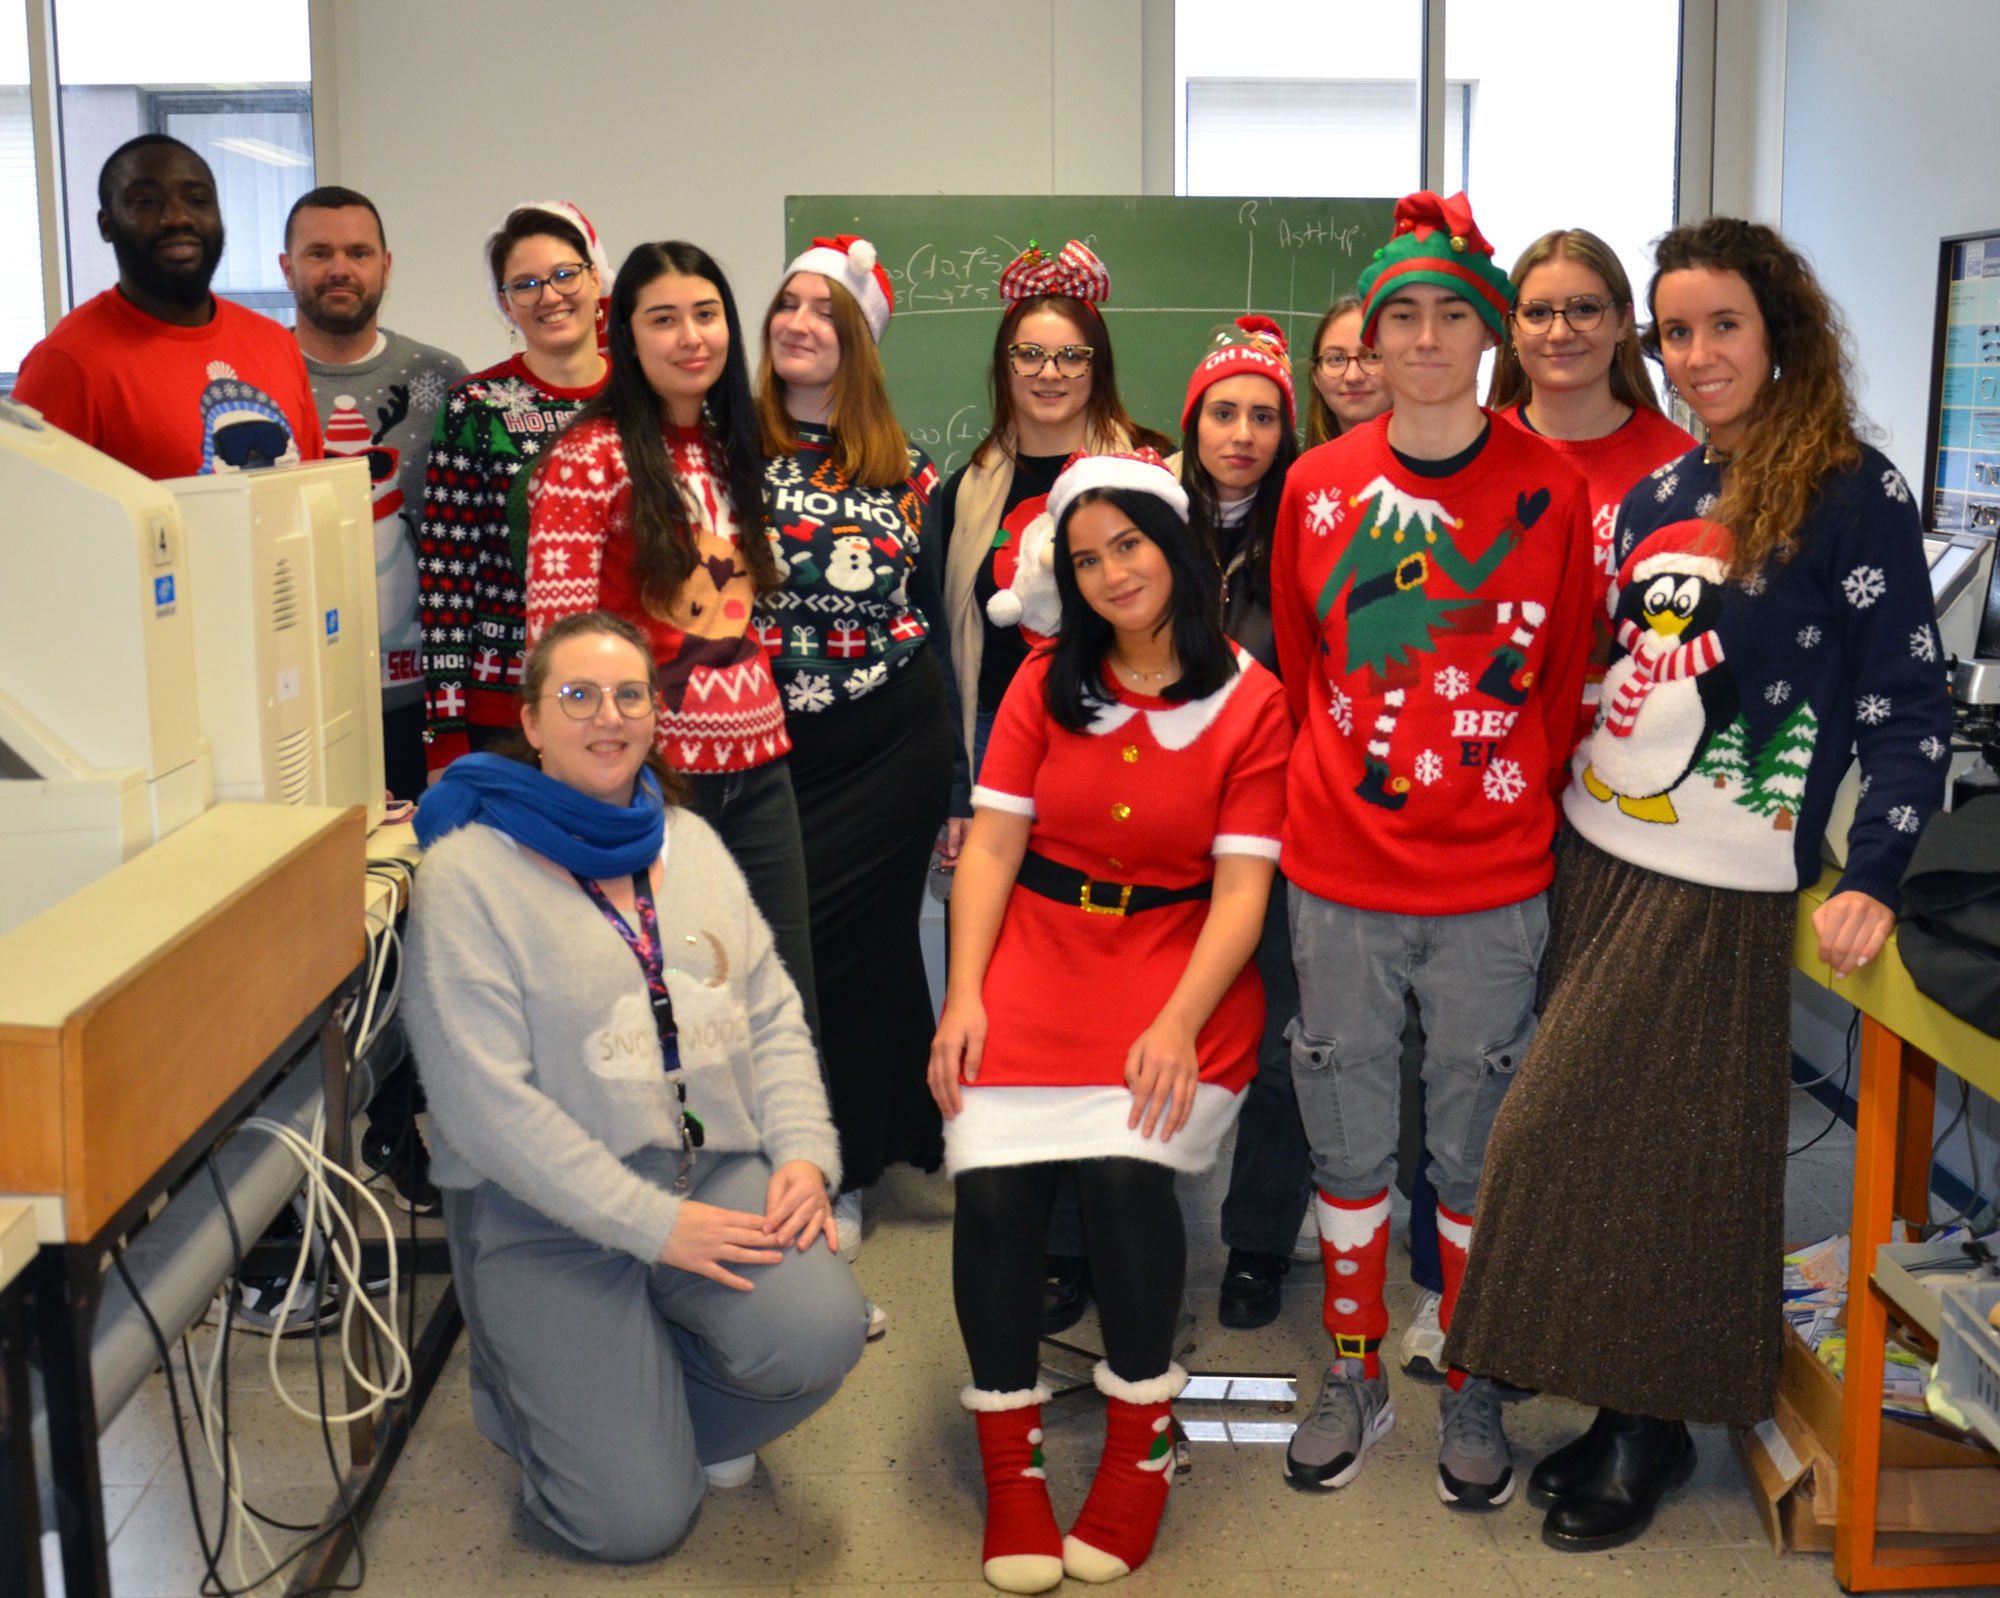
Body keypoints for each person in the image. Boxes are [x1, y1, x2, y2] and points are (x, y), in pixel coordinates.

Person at [1447, 217, 1953, 1550]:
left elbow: (1911, 701)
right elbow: (1625, 670)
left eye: (1721, 323)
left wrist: (1882, 872)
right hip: (1600, 851)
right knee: (1628, 1147)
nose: (1695, 352)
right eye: (1676, 330)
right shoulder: (1663, 493)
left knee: (1604, 1140)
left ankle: (1655, 1420)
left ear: (1778, 328)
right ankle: (1632, 1410)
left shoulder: (1853, 491)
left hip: (1724, 884)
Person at [400, 609, 863, 1562]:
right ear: (529, 722)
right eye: (576, 696)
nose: (605, 717)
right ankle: (529, 1396)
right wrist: (654, 1229)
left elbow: (771, 1011)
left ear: (657, 714)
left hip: (705, 1171)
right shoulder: (465, 875)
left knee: (823, 1332)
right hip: (545, 1213)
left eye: (628, 695)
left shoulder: (687, 841)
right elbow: (486, 1109)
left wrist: (808, 1157)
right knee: (632, 1525)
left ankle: (637, 1394)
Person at [1268, 190, 1593, 1508]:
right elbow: (1306, 666)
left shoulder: (1552, 488)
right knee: (1345, 1138)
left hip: (1493, 887)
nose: (1421, 337)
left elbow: (1562, 679)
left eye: (1450, 313)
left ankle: (1469, 1374)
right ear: (1373, 336)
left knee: (1473, 1149)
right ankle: (1352, 1370)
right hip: (1340, 874)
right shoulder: (1317, 483)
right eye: (1398, 313)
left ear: (1487, 336)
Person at [930, 452, 1290, 1592]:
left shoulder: (1252, 698)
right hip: (1036, 950)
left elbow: (1242, 889)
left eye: (1125, 544)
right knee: (991, 1183)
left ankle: (1141, 1447)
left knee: (1127, 1173)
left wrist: (1180, 1022)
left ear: (1174, 544)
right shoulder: (1042, 678)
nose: (1107, 573)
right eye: (1082, 559)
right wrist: (964, 992)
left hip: (1180, 965)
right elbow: (991, 843)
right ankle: (1010, 1457)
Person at [935, 238, 1168, 1333]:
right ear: (1004, 363)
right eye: (1029, 354)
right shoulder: (964, 490)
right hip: (996, 790)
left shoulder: (1140, 477)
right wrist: (956, 792)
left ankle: (1086, 1241)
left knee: (1099, 1020)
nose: (1047, 373)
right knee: (1014, 1017)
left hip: (1107, 795)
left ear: (1096, 363)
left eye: (1068, 355)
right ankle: (1026, 1227)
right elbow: (944, 655)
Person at [524, 241, 818, 1062]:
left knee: (780, 992)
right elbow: (558, 653)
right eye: (664, 320)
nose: (691, 337)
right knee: (670, 1017)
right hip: (651, 786)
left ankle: (798, 1178)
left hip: (762, 767)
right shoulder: (587, 460)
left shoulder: (738, 448)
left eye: (707, 314)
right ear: (624, 335)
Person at [754, 236, 953, 1230]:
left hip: (890, 740)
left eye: (824, 309)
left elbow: (937, 623)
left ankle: (853, 1165)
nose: (798, 322)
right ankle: (788, 1154)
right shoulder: (721, 452)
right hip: (766, 746)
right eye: (786, 303)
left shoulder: (906, 467)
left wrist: (957, 789)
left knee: (862, 952)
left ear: (858, 339)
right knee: (776, 953)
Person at [1168, 317, 1312, 1330]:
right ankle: (1095, 1238)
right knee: (1127, 1024)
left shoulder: (1310, 525)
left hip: (1274, 828)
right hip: (1156, 822)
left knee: (1275, 1043)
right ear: (1192, 421)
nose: (1243, 432)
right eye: (1224, 411)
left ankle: (1256, 1242)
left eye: (1263, 415)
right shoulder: (1145, 521)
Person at [283, 185, 469, 804]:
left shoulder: (442, 380)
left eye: (359, 252)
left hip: (422, 705)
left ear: (386, 266)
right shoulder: (257, 372)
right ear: (287, 268)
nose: (340, 268)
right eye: (319, 253)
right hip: (298, 707)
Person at [419, 201, 610, 774]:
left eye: (563, 274)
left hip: (622, 696)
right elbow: (444, 581)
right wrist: (443, 737)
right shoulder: (474, 408)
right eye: (525, 284)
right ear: (505, 303)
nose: (549, 296)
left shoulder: (643, 401)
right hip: (503, 707)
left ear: (595, 277)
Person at [1487, 227, 1696, 749]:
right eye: (1536, 312)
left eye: (1584, 309)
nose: (1559, 332)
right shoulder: (1477, 455)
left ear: (1624, 321)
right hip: (1499, 756)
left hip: (1634, 760)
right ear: (1510, 329)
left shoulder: (1680, 466)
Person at [15, 134, 322, 479]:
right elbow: (31, 520)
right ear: (107, 225)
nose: (178, 218)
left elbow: (311, 490)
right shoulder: (67, 363)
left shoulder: (275, 342)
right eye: (147, 202)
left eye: (197, 200)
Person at [1303, 294, 1393, 448]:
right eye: (1336, 359)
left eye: (1372, 356)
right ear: (1316, 377)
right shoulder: (1303, 470)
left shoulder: (1434, 465)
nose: (1353, 376)